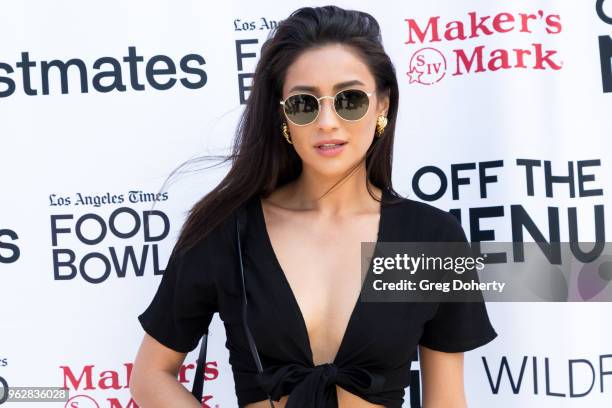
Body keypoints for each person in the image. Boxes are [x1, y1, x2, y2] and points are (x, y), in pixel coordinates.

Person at [129, 5, 497, 408]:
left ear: (383, 105)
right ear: (282, 116)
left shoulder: (428, 239)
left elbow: (446, 400)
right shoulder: (228, 230)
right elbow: (150, 375)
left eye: (350, 99)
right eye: (305, 102)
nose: (327, 121)